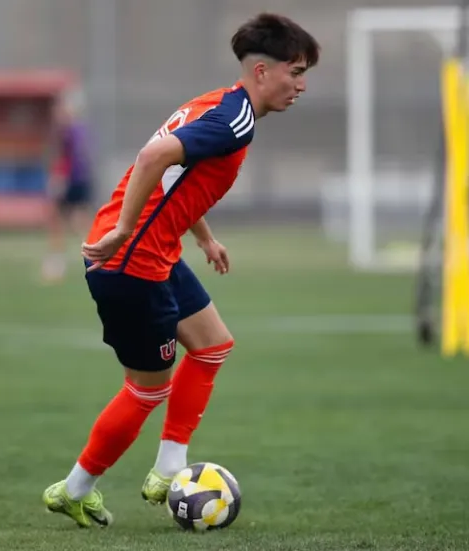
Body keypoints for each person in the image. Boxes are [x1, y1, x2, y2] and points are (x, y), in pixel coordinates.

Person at [42, 13, 320, 528]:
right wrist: (125, 230)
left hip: (154, 254)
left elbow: (180, 179)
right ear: (262, 72)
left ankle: (168, 467)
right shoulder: (232, 120)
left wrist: (205, 238)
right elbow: (152, 157)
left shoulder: (221, 104)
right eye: (295, 72)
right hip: (129, 263)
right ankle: (74, 489)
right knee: (147, 389)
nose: (300, 85)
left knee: (213, 343)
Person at [41, 89, 95, 284]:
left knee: (64, 222)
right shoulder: (78, 129)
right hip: (79, 179)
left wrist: (59, 179)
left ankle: (58, 264)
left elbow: (70, 158)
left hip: (72, 180)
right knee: (71, 221)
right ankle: (93, 258)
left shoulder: (70, 131)